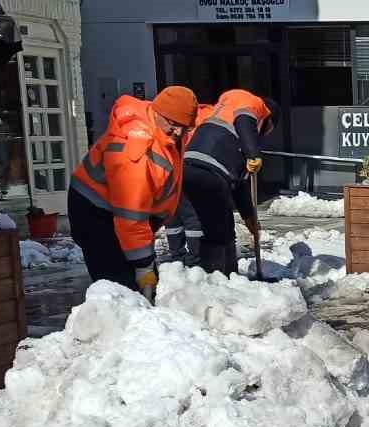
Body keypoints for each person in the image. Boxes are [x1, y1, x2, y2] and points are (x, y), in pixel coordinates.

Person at [69, 85, 197, 301]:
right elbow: (131, 216)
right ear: (158, 113)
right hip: (96, 213)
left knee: (143, 283)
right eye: (174, 125)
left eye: (186, 127)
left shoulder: (165, 127)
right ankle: (112, 330)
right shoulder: (135, 151)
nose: (179, 133)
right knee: (121, 290)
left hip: (124, 215)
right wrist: (142, 265)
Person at [182, 90, 278, 276]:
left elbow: (239, 187)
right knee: (218, 231)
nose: (263, 134)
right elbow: (244, 121)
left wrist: (249, 217)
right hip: (209, 170)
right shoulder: (253, 105)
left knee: (218, 225)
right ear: (268, 118)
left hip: (190, 169)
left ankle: (225, 278)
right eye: (268, 129)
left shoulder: (233, 130)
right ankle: (217, 281)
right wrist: (253, 153)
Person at [162, 103, 215, 268]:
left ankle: (177, 255)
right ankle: (194, 258)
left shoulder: (178, 117)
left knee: (173, 216)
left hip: (171, 170)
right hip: (189, 171)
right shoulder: (208, 120)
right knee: (192, 217)